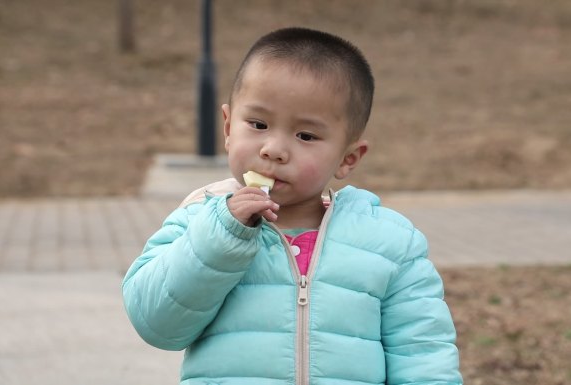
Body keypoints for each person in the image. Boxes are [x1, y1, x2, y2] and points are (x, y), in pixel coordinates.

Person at [122, 27, 462, 385]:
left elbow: (423, 355)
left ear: (348, 157)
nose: (274, 149)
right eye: (258, 124)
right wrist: (223, 237)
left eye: (306, 136)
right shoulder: (199, 219)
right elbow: (157, 325)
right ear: (227, 126)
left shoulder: (390, 244)